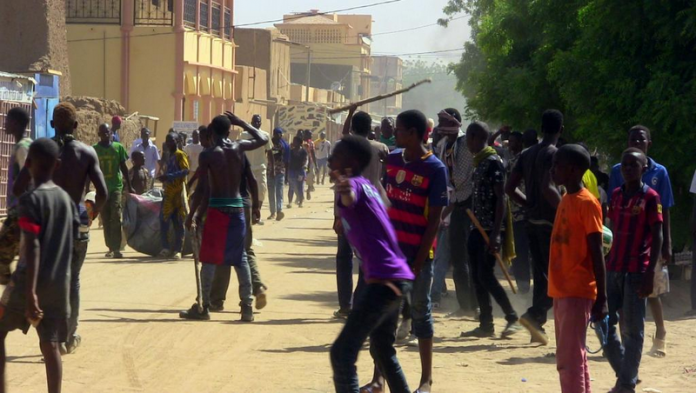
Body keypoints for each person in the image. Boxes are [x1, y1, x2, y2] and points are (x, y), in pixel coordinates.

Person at [362, 110, 448, 393]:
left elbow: (434, 220)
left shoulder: (435, 169)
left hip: (418, 254)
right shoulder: (393, 160)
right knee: (383, 315)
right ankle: (379, 379)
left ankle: (427, 379)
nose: (394, 134)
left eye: (398, 130)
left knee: (421, 312)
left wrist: (419, 262)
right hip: (389, 252)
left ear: (413, 133)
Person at [14, 102, 107, 355]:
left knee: (46, 280)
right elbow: (103, 192)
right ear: (76, 126)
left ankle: (49, 339)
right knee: (72, 280)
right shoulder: (87, 153)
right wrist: (92, 212)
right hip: (76, 222)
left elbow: (18, 187)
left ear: (53, 124)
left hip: (46, 224)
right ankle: (67, 337)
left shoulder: (42, 151)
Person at [329, 135, 414, 393]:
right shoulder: (369, 185)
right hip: (394, 277)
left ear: (351, 163)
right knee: (381, 348)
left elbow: (349, 197)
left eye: (337, 155)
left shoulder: (354, 186)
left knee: (342, 354)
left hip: (383, 280)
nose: (331, 158)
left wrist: (345, 190)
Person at [0, 138, 79, 393]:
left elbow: (32, 246)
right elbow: (70, 245)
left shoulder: (31, 200)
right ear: (57, 165)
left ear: (29, 165)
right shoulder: (67, 202)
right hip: (58, 287)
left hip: (27, 285)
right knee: (51, 344)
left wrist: (31, 293)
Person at [180, 112, 267, 322]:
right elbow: (263, 139)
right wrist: (241, 123)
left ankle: (204, 306)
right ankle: (246, 307)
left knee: (209, 259)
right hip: (237, 209)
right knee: (241, 259)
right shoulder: (239, 148)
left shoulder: (208, 154)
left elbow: (202, 189)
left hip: (217, 210)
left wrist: (192, 215)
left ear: (211, 132)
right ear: (229, 130)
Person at [607, 125, 673, 358]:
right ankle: (626, 340)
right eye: (632, 139)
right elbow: (613, 210)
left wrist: (667, 244)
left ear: (649, 144)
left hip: (649, 243)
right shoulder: (618, 170)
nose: (636, 142)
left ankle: (661, 333)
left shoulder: (659, 173)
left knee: (651, 289)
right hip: (624, 242)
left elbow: (664, 210)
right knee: (624, 293)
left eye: (641, 140)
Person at [548, 144, 608, 393]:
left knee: (568, 360)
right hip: (561, 289)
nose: (553, 170)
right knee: (575, 357)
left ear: (572, 170)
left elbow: (597, 251)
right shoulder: (566, 198)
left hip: (577, 289)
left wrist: (601, 297)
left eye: (557, 165)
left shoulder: (587, 203)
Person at [604, 148, 663, 393]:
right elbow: (611, 229)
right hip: (614, 266)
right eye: (625, 164)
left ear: (644, 169)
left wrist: (650, 274)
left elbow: (657, 235)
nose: (628, 168)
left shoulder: (651, 197)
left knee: (633, 329)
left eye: (634, 165)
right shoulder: (616, 195)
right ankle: (626, 373)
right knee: (603, 322)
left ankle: (626, 383)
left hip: (637, 269)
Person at [505, 109, 564, 345]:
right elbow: (548, 187)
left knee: (542, 276)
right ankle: (533, 315)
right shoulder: (554, 153)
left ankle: (536, 326)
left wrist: (529, 203)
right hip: (550, 223)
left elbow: (510, 188)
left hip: (531, 221)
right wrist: (566, 212)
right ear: (561, 128)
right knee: (558, 278)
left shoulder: (528, 154)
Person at [460, 121, 522, 338]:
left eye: (468, 137)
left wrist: (496, 233)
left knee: (485, 275)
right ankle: (486, 324)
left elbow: (501, 200)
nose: (467, 142)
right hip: (476, 226)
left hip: (489, 229)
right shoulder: (480, 161)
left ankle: (512, 316)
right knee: (477, 277)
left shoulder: (493, 162)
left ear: (477, 137)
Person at [333, 106, 389, 319]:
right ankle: (360, 303)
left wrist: (337, 216)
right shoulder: (381, 148)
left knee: (344, 257)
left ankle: (346, 305)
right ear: (371, 129)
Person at [432, 108, 477, 319]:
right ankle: (465, 304)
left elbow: (460, 179)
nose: (441, 126)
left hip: (463, 205)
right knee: (455, 259)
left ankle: (470, 305)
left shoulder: (463, 145)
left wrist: (448, 201)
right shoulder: (443, 145)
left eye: (444, 121)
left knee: (462, 259)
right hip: (448, 205)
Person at [209, 154, 268, 311]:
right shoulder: (239, 154)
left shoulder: (215, 156)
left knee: (224, 253)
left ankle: (216, 299)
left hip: (227, 205)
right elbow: (253, 181)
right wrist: (256, 206)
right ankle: (257, 287)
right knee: (246, 250)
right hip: (245, 204)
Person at [0, 107, 32, 284]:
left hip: (20, 212)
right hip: (20, 211)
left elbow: (30, 179)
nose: (5, 123)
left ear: (17, 123)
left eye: (8, 120)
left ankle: (15, 295)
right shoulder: (23, 145)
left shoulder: (23, 148)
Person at [93, 123, 133, 259]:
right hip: (101, 189)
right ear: (98, 134)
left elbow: (123, 167)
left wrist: (129, 184)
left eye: (107, 132)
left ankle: (116, 248)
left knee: (116, 215)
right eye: (102, 133)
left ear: (111, 134)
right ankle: (110, 246)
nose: (105, 135)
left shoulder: (118, 148)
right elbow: (90, 170)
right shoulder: (94, 150)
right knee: (105, 217)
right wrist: (86, 188)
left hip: (116, 186)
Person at [157, 132, 189, 259]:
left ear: (177, 141)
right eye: (167, 141)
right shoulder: (169, 155)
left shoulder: (180, 155)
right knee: (164, 219)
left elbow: (185, 170)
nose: (169, 143)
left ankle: (178, 249)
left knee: (178, 221)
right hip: (169, 192)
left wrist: (169, 176)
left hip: (178, 193)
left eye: (171, 141)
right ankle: (165, 247)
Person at [506, 131, 531, 293]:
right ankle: (522, 284)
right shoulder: (513, 160)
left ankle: (524, 285)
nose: (510, 144)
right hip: (513, 212)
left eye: (513, 142)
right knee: (516, 250)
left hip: (523, 212)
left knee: (521, 250)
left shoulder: (522, 160)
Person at [241, 115, 271, 222]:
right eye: (254, 122)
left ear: (261, 123)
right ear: (251, 122)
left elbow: (269, 151)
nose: (256, 124)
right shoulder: (243, 135)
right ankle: (249, 214)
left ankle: (257, 212)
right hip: (247, 169)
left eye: (258, 122)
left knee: (261, 191)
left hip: (261, 168)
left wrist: (270, 168)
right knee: (247, 193)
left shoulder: (265, 135)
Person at [267, 128, 289, 221]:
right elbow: (268, 154)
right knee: (271, 192)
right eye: (276, 133)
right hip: (269, 171)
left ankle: (279, 210)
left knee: (279, 192)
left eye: (279, 134)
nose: (277, 135)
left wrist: (287, 175)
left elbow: (286, 160)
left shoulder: (284, 145)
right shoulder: (269, 143)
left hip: (280, 171)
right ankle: (272, 213)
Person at [287, 136, 307, 208]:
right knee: (291, 187)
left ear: (299, 142)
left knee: (300, 187)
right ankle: (290, 202)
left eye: (295, 141)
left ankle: (301, 202)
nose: (294, 142)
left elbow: (304, 161)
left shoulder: (303, 151)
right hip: (292, 170)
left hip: (300, 171)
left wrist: (301, 166)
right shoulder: (291, 151)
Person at [303, 130, 318, 200]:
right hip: (301, 163)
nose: (311, 136)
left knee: (311, 177)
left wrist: (316, 165)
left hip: (310, 162)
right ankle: (300, 195)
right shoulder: (301, 142)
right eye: (310, 134)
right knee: (301, 179)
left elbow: (313, 154)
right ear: (305, 135)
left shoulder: (311, 143)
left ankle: (308, 190)